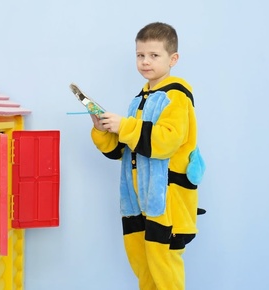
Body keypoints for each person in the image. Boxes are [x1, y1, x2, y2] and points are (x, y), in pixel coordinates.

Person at [89, 22, 203, 290]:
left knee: (165, 269)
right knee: (143, 266)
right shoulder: (140, 98)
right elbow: (128, 151)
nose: (145, 62)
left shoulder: (176, 96)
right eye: (140, 55)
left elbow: (165, 142)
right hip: (137, 202)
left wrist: (125, 126)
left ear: (173, 59)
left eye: (154, 55)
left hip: (166, 202)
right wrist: (104, 131)